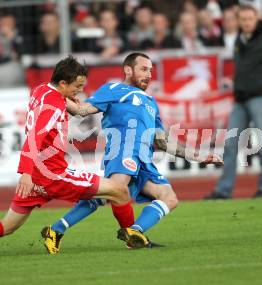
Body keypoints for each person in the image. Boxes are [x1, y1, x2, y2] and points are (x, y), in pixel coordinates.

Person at [0, 56, 134, 262]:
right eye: (77, 86)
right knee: (119, 190)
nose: (80, 91)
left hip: (39, 176)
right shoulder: (53, 105)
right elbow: (33, 138)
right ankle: (134, 239)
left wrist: (68, 99)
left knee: (7, 226)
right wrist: (26, 173)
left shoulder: (41, 90)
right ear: (62, 82)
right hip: (52, 173)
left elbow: (61, 104)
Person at [41, 52, 223, 254]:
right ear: (128, 70)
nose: (149, 74)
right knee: (113, 191)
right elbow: (81, 110)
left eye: (151, 70)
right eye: (144, 69)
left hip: (144, 160)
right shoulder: (114, 89)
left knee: (169, 198)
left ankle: (135, 232)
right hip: (123, 151)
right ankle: (56, 230)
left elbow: (161, 141)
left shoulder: (151, 102)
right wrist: (54, 93)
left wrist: (198, 156)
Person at [205, 4, 262, 200]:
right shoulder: (239, 40)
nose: (246, 22)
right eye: (243, 19)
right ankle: (223, 190)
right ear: (239, 21)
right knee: (230, 144)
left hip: (260, 98)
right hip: (240, 100)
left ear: (257, 19)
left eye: (249, 19)